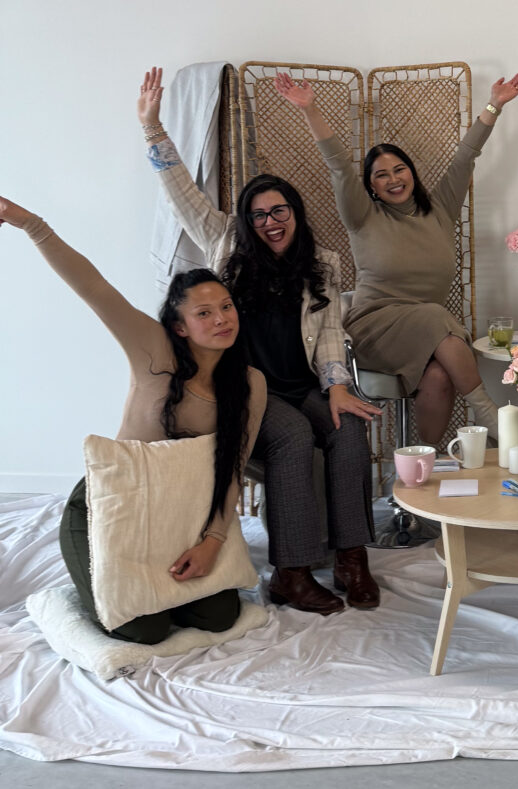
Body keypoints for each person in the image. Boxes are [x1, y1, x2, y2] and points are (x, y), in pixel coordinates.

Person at [139, 68, 383, 615]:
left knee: (346, 430)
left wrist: (339, 387)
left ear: (294, 213)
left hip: (305, 385)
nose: (270, 221)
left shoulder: (323, 264)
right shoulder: (224, 242)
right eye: (259, 215)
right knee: (294, 435)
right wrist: (153, 129)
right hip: (249, 389)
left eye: (279, 211)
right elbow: (178, 187)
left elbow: (328, 337)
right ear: (247, 222)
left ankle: (352, 558)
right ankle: (291, 572)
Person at [0, 195, 268, 645]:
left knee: (218, 616)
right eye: (204, 313)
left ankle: (152, 587)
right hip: (110, 509)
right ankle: (69, 597)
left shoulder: (250, 383)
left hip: (176, 516)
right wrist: (30, 223)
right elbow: (94, 286)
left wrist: (212, 542)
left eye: (226, 306)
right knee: (142, 629)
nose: (222, 319)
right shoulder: (152, 349)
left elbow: (234, 467)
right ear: (180, 326)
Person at [275, 70, 518, 445]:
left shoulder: (439, 209)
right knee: (437, 316)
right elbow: (339, 166)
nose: (393, 179)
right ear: (370, 186)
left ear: (412, 173)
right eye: (380, 175)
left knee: (439, 377)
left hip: (427, 330)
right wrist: (310, 108)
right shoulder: (362, 216)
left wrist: (495, 105)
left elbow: (465, 157)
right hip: (374, 327)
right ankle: (488, 416)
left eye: (399, 169)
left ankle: (423, 467)